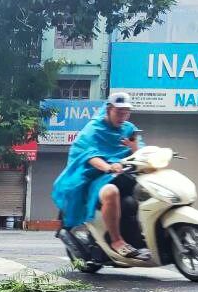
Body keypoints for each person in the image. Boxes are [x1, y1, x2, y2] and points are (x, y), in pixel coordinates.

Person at [52, 91, 145, 259]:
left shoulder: (129, 129)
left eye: (126, 112)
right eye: (119, 112)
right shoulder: (93, 130)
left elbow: (141, 153)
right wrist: (108, 167)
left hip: (125, 176)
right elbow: (90, 156)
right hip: (96, 178)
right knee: (111, 192)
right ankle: (117, 241)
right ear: (109, 109)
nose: (122, 116)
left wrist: (134, 148)